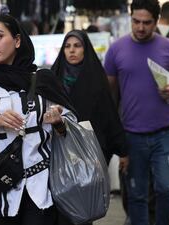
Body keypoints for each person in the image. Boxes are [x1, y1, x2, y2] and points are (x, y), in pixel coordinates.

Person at [0, 14, 77, 225]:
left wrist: (58, 122)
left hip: (41, 190)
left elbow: (71, 126)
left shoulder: (42, 80)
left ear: (17, 40)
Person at [104, 1, 169, 225]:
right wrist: (114, 135)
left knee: (167, 189)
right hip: (131, 134)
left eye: (147, 23)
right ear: (131, 19)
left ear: (156, 20)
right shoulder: (116, 49)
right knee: (136, 194)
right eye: (136, 22)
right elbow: (109, 94)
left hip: (165, 132)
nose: (141, 27)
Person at [51, 29, 128, 225]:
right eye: (67, 46)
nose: (72, 51)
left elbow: (108, 114)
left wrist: (122, 150)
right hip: (58, 152)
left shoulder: (96, 78)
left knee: (83, 209)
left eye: (77, 46)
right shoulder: (53, 77)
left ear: (85, 49)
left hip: (89, 153)